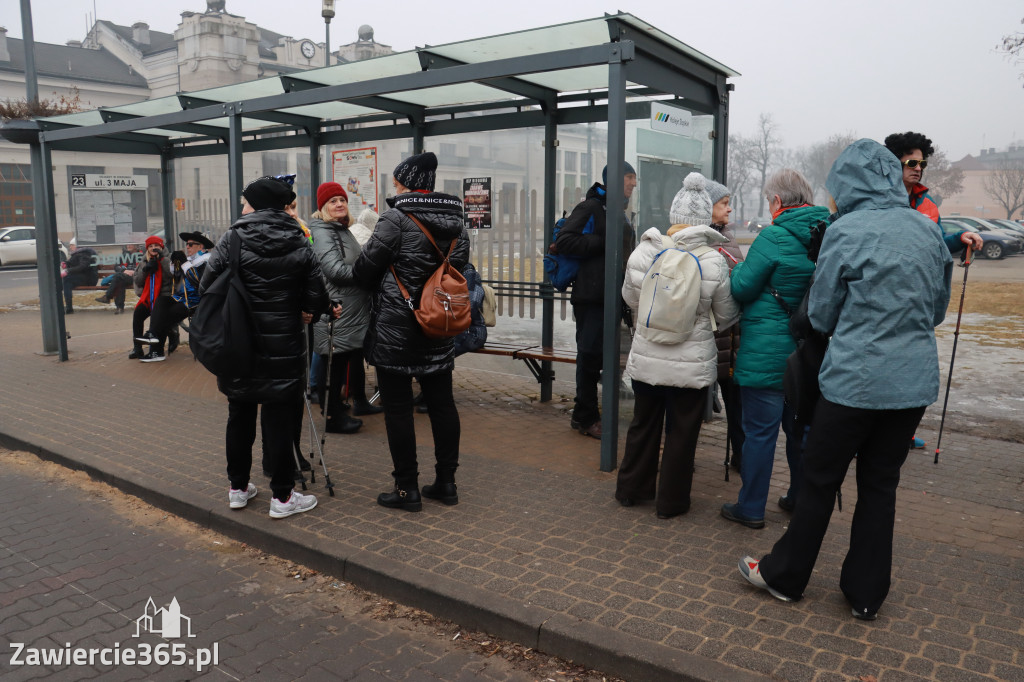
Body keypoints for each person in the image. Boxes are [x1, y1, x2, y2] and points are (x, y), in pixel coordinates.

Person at [739, 139, 952, 619]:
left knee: (818, 480)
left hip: (853, 383)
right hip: (911, 385)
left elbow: (823, 313)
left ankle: (785, 576)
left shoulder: (847, 231)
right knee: (880, 485)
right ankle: (866, 594)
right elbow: (936, 311)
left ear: (850, 184)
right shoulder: (927, 231)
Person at [200, 176, 329, 519]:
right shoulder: (298, 239)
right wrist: (305, 310)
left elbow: (207, 283)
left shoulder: (233, 237)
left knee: (239, 413)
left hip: (239, 340)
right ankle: (283, 498)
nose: (242, 207)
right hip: (283, 342)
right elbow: (316, 291)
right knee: (279, 416)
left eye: (245, 202)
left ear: (257, 204)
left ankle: (238, 489)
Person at [616, 173, 739, 519]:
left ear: (673, 216)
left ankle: (631, 490)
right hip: (690, 361)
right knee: (682, 434)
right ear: (702, 220)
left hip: (648, 355)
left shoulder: (646, 249)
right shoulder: (712, 259)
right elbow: (726, 314)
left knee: (644, 424)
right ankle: (671, 502)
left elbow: (630, 297)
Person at [353, 151, 469, 512]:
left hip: (396, 329)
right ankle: (447, 483)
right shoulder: (458, 224)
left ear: (404, 183)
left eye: (396, 181)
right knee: (442, 405)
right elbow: (458, 269)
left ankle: (407, 490)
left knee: (398, 410)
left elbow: (364, 270)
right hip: (438, 324)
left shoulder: (395, 218)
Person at [720, 169, 829, 529]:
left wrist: (736, 271)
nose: (768, 209)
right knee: (800, 431)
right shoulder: (828, 234)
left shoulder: (773, 237)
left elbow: (743, 288)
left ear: (778, 202)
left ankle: (751, 507)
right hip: (808, 353)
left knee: (760, 434)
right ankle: (798, 497)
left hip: (767, 354)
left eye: (769, 202)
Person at [883, 131, 982, 450]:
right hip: (883, 299)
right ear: (892, 164)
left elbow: (935, 244)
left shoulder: (927, 205)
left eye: (922, 163)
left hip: (918, 300)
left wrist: (960, 238)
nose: (918, 168)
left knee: (910, 369)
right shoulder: (876, 202)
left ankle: (903, 432)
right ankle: (868, 434)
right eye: (911, 162)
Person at [553, 162, 638, 439]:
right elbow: (565, 241)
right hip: (591, 297)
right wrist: (605, 241)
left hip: (614, 297)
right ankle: (585, 416)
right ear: (613, 179)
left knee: (608, 357)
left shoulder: (620, 213)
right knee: (589, 357)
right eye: (629, 178)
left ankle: (597, 412)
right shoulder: (590, 208)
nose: (633, 184)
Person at [310, 181, 381, 434]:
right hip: (337, 310)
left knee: (341, 363)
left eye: (342, 199)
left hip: (350, 310)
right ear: (323, 207)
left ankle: (340, 411)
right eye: (332, 201)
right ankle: (333, 417)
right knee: (333, 365)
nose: (339, 204)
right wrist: (368, 272)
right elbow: (335, 270)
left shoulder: (340, 229)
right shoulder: (323, 232)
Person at [706, 180, 746, 471]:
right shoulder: (702, 243)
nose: (729, 208)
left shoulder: (729, 238)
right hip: (707, 338)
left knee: (737, 404)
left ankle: (741, 456)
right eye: (723, 203)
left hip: (731, 342)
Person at [139, 232, 214, 363]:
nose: (187, 247)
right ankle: (153, 335)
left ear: (201, 246)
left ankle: (156, 350)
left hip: (196, 302)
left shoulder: (207, 261)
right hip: (181, 298)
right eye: (187, 244)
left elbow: (200, 283)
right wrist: (176, 264)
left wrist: (184, 263)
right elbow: (178, 281)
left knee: (166, 316)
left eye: (190, 244)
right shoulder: (191, 260)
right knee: (161, 301)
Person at [130, 236, 174, 361]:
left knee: (158, 316)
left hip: (164, 297)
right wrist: (146, 270)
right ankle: (137, 346)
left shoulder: (169, 258)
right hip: (148, 297)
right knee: (138, 314)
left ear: (161, 247)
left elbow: (173, 275)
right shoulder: (144, 260)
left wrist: (162, 260)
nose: (153, 248)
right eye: (150, 246)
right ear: (147, 249)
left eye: (156, 246)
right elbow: (138, 281)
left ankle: (158, 346)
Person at [95, 243, 142, 314]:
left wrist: (134, 271)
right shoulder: (123, 255)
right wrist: (124, 271)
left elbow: (144, 267)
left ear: (136, 246)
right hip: (125, 276)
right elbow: (116, 267)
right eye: (127, 244)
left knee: (118, 277)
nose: (128, 246)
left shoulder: (141, 255)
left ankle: (108, 297)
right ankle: (119, 307)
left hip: (137, 277)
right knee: (119, 280)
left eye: (131, 244)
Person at [61, 237, 99, 314]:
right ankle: (67, 307)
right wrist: (66, 263)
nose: (70, 247)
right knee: (64, 282)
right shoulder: (78, 254)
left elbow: (82, 266)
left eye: (72, 245)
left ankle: (68, 307)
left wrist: (68, 270)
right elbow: (73, 263)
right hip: (82, 277)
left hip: (88, 279)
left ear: (77, 246)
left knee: (66, 280)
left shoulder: (84, 254)